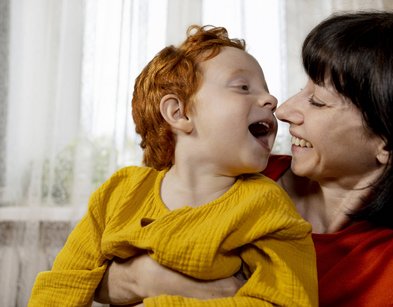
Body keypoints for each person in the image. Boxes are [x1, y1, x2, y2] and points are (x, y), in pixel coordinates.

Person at [95, 11, 393, 307]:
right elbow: (92, 269)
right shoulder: (229, 171)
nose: (283, 110)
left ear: (389, 141)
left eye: (317, 101)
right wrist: (146, 278)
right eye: (303, 89)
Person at [28, 25, 318, 306]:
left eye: (265, 89)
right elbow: (63, 283)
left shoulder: (266, 206)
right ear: (178, 113)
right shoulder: (119, 193)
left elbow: (288, 299)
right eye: (243, 87)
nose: (271, 99)